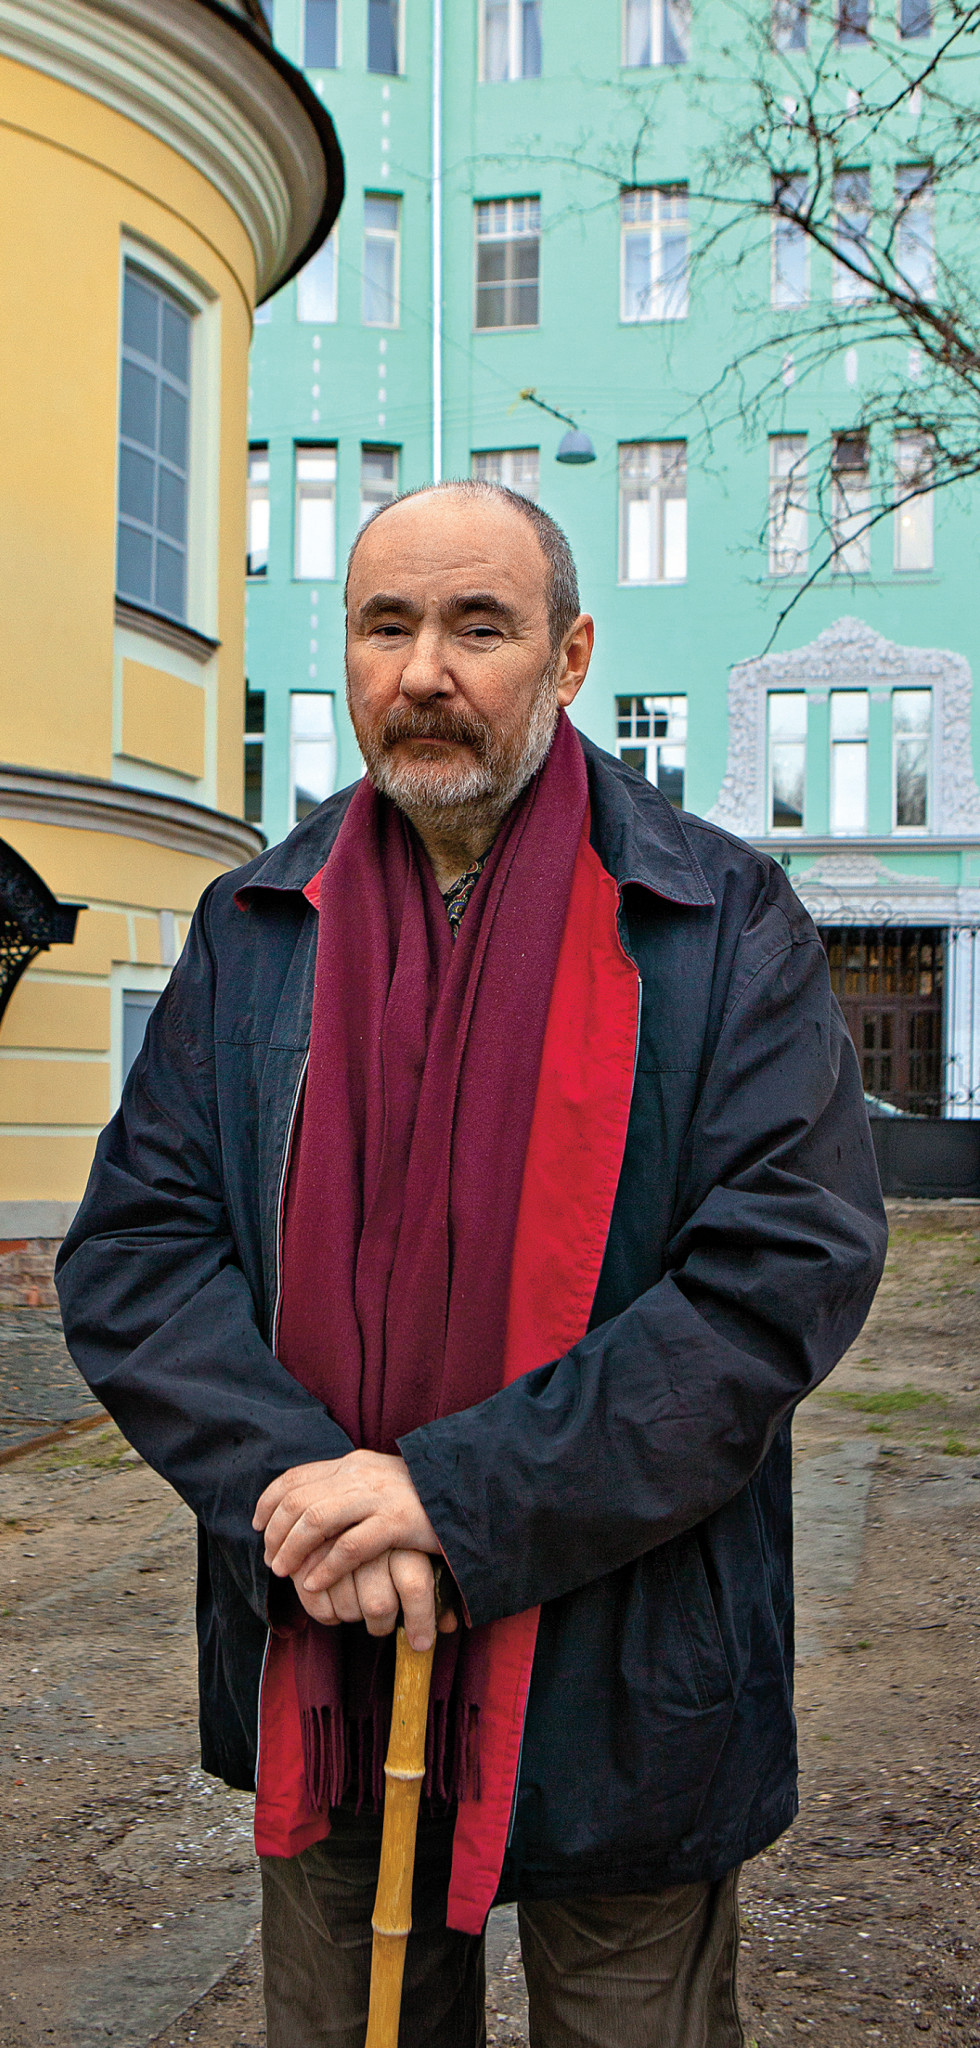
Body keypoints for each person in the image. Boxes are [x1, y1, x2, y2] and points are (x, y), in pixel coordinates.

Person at [57, 480, 887, 2048]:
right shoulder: (259, 921)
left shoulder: (719, 918)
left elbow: (779, 1273)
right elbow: (139, 1252)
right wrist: (308, 1494)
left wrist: (456, 1496)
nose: (425, 670)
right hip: (328, 1632)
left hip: (626, 1663)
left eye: (479, 626)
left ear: (569, 659)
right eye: (387, 626)